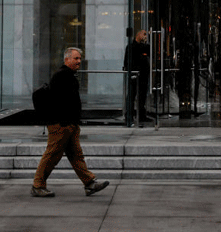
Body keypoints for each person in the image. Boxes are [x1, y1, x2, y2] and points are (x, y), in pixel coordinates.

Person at [31, 47, 110, 198]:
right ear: (67, 59)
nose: (79, 61)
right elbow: (60, 102)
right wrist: (65, 123)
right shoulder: (62, 76)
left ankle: (89, 183)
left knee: (76, 155)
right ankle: (38, 185)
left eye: (80, 58)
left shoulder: (68, 75)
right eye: (76, 58)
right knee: (52, 155)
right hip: (61, 124)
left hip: (70, 124)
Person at [124, 29, 152, 122]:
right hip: (135, 74)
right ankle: (129, 114)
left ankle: (141, 115)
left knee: (142, 95)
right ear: (138, 34)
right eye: (144, 34)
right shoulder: (131, 47)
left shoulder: (144, 47)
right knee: (132, 95)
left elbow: (149, 52)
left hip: (143, 75)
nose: (145, 36)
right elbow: (128, 61)